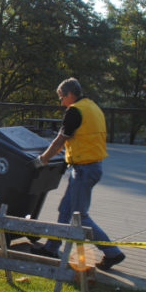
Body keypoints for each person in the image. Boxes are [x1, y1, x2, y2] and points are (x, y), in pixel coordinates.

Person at [32, 77, 125, 271]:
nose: (61, 102)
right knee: (65, 210)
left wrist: (43, 159)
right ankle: (51, 248)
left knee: (80, 217)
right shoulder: (92, 107)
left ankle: (112, 253)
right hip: (89, 166)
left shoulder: (75, 111)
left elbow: (59, 140)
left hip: (84, 169)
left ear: (70, 94)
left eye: (61, 97)